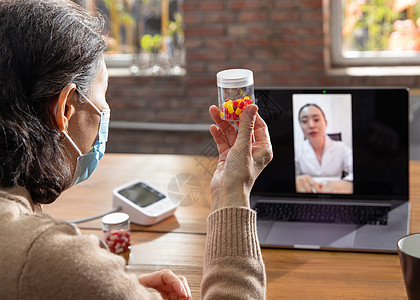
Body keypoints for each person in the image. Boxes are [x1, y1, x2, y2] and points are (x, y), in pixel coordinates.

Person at [0, 1, 273, 299]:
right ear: (65, 108)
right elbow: (45, 267)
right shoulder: (49, 257)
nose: (105, 110)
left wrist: (118, 290)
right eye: (103, 96)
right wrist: (232, 190)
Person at [295, 103, 353, 194]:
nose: (311, 125)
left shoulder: (341, 147)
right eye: (304, 121)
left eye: (316, 119)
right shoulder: (297, 150)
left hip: (335, 196)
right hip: (307, 197)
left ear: (325, 123)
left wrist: (349, 183)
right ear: (300, 126)